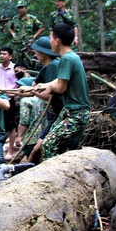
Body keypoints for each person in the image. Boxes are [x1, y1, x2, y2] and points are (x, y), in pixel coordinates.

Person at [33, 24, 91, 160]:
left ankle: (53, 176)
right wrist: (43, 85)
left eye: (51, 38)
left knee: (48, 144)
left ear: (57, 41)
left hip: (77, 113)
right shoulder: (71, 57)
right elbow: (60, 80)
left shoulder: (67, 59)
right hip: (71, 111)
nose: (50, 42)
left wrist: (50, 88)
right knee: (63, 145)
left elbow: (60, 87)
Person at [19, 36, 62, 164]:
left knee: (39, 148)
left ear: (43, 53)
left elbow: (48, 95)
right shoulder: (45, 69)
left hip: (63, 114)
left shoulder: (55, 66)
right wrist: (2, 90)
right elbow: (30, 90)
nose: (35, 54)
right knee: (36, 150)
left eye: (36, 51)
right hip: (57, 115)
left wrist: (32, 91)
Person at [11, 77, 46, 161]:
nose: (18, 89)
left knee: (29, 160)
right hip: (42, 136)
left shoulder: (26, 101)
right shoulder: (43, 100)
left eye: (20, 87)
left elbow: (24, 121)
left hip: (31, 137)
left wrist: (19, 136)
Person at [0, 47, 19, 160]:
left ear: (10, 56)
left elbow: (20, 83)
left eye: (4, 54)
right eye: (0, 53)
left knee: (11, 126)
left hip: (10, 99)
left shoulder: (15, 68)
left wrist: (11, 92)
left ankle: (10, 151)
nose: (1, 56)